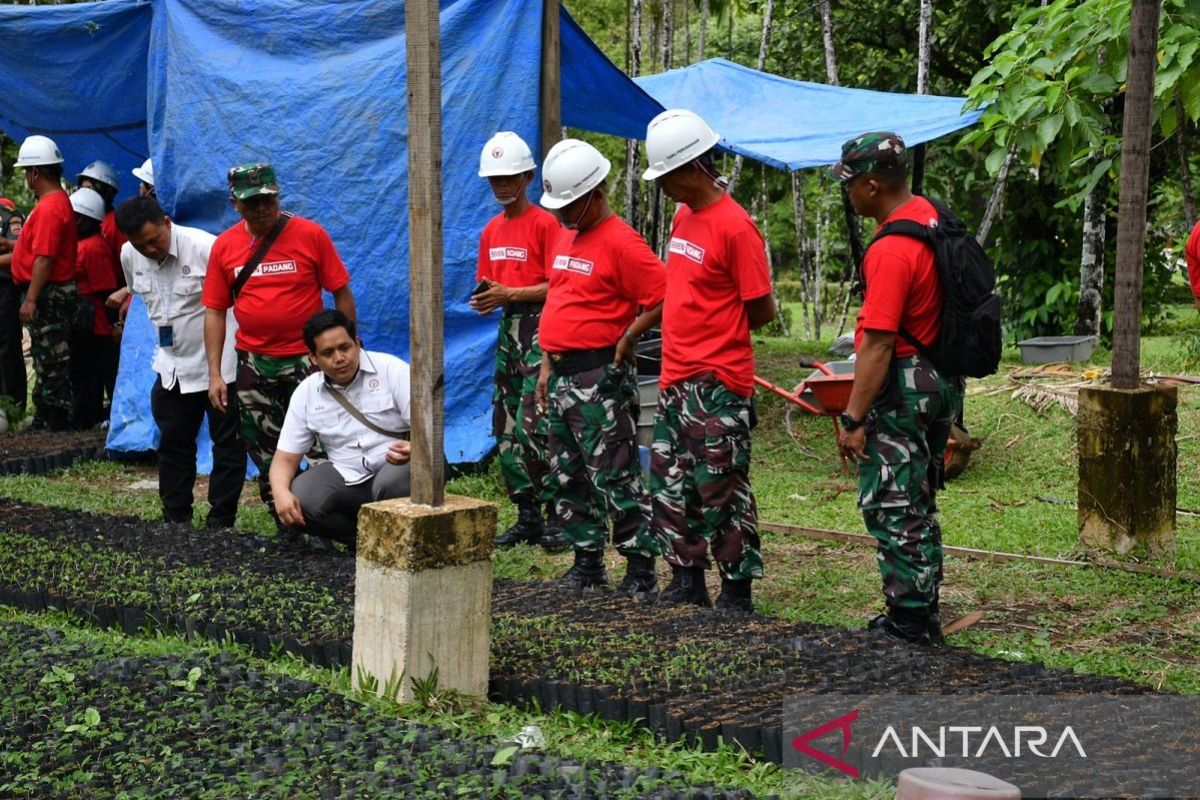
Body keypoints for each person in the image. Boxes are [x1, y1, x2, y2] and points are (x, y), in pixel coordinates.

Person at [641, 109, 777, 613]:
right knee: (672, 483)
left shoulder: (736, 227)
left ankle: (737, 588)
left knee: (721, 486)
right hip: (675, 377)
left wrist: (713, 339)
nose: (662, 187)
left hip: (717, 382)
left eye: (667, 175)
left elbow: (760, 308)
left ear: (694, 166)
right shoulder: (684, 217)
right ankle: (686, 577)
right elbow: (681, 289)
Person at [831, 132, 963, 646]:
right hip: (938, 379)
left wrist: (853, 418)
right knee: (918, 499)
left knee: (892, 505)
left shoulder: (890, 249)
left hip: (903, 384)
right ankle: (921, 607)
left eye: (849, 186)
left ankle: (909, 622)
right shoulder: (932, 217)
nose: (848, 195)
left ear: (870, 185)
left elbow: (878, 346)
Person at [534, 139, 667, 595]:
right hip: (562, 373)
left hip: (598, 377)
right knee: (567, 471)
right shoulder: (568, 236)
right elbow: (561, 298)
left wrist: (629, 335)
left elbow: (663, 297)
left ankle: (639, 568)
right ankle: (586, 561)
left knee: (614, 471)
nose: (561, 214)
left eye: (569, 205)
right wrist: (548, 362)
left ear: (594, 193)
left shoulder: (624, 243)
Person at [203, 162, 356, 528]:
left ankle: (329, 524)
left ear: (278, 196)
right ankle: (285, 522)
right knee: (265, 449)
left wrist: (349, 345)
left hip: (309, 363)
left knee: (326, 443)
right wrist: (214, 373)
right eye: (252, 202)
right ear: (235, 204)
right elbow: (214, 312)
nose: (261, 209)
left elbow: (341, 291)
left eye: (268, 200)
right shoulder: (225, 247)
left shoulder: (310, 235)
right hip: (255, 364)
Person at [116, 196, 245, 531]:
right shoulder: (130, 255)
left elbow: (239, 302)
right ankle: (176, 517)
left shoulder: (206, 248)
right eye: (140, 245)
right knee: (173, 442)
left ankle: (221, 520)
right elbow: (137, 292)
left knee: (228, 445)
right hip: (172, 367)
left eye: (154, 240)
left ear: (167, 223)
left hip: (221, 366)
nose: (150, 249)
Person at [472, 131, 566, 552]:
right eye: (494, 179)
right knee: (505, 422)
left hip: (540, 328)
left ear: (528, 177)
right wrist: (487, 297)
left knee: (536, 419)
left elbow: (558, 285)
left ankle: (556, 516)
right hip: (507, 331)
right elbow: (489, 284)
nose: (502, 186)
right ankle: (526, 513)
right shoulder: (491, 230)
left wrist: (509, 294)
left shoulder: (546, 223)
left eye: (509, 177)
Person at [270, 309, 410, 547]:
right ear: (313, 358)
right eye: (328, 353)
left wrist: (415, 447)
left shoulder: (392, 370)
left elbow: (431, 430)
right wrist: (280, 493)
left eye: (345, 347)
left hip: (399, 467)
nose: (339, 357)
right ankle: (366, 544)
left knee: (390, 483)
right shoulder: (306, 393)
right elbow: (284, 459)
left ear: (357, 343)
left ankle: (400, 542)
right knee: (303, 497)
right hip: (348, 475)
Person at [9, 135, 79, 431]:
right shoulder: (54, 202)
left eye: (27, 171)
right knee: (45, 352)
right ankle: (48, 413)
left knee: (50, 355)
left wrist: (31, 299)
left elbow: (45, 258)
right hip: (49, 289)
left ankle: (54, 416)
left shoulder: (50, 207)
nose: (26, 177)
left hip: (49, 292)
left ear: (35, 173)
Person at [67, 188, 119, 429]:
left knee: (97, 370)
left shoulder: (94, 247)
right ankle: (87, 415)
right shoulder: (81, 243)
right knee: (84, 370)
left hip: (95, 323)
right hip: (84, 320)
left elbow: (106, 290)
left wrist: (112, 324)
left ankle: (97, 416)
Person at [0, 198, 28, 413]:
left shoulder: (7, 212)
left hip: (4, 289)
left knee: (7, 344)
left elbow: (19, 252)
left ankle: (12, 407)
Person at [76, 160, 127, 267]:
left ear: (106, 192)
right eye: (82, 188)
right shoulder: (80, 220)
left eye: (89, 189)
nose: (84, 193)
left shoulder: (118, 222)